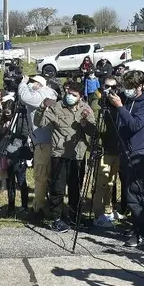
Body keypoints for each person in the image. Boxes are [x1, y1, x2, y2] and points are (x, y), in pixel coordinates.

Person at [36, 80, 95, 233]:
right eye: (68, 93)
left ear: (80, 97)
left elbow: (93, 132)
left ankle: (74, 216)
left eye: (73, 95)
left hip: (78, 155)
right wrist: (42, 108)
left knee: (76, 188)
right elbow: (40, 122)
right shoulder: (57, 107)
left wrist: (84, 123)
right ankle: (56, 218)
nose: (70, 97)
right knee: (58, 187)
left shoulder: (86, 109)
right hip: (59, 153)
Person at [114, 70, 144, 245]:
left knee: (136, 193)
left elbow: (135, 124)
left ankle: (143, 234)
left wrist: (119, 107)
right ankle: (137, 227)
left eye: (131, 87)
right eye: (126, 87)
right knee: (129, 192)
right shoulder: (128, 99)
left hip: (139, 154)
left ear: (140, 86)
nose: (127, 90)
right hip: (126, 151)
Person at [19, 75, 58, 220]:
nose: (30, 85)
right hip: (48, 141)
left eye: (32, 83)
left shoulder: (40, 95)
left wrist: (22, 83)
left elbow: (24, 97)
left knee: (40, 176)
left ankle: (37, 208)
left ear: (39, 84)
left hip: (43, 142)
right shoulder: (51, 93)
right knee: (48, 176)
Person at [92, 76, 124, 228]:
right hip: (103, 149)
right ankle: (98, 213)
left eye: (113, 87)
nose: (110, 90)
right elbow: (98, 127)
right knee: (101, 183)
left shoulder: (119, 103)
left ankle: (108, 209)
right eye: (106, 86)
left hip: (117, 148)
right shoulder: (97, 103)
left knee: (111, 182)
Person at [0, 94, 33, 217]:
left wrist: (13, 134)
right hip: (8, 153)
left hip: (19, 152)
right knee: (10, 181)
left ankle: (24, 206)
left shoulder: (22, 117)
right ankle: (11, 207)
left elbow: (25, 134)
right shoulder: (6, 118)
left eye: (9, 113)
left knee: (21, 180)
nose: (8, 116)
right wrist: (4, 128)